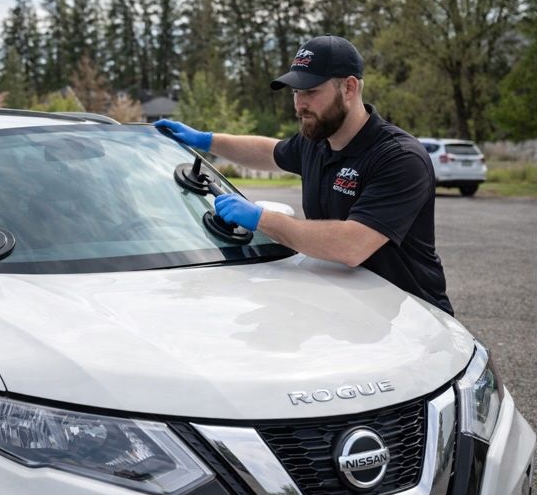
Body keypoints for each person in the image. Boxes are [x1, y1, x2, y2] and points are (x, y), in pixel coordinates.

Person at [155, 35, 453, 315]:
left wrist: (262, 220)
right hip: (350, 311)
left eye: (311, 91)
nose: (299, 104)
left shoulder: (399, 158)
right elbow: (268, 151)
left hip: (412, 317)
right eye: (296, 92)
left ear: (349, 88)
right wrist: (207, 141)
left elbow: (351, 246)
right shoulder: (317, 142)